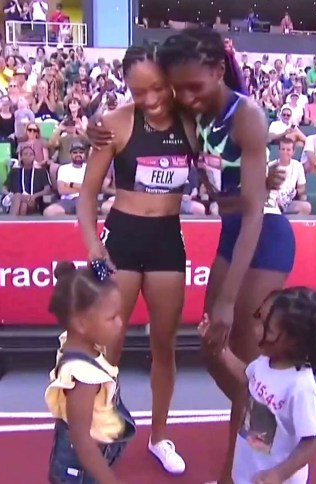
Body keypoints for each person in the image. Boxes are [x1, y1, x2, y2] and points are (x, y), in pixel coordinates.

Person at [159, 27, 296, 483]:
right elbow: (225, 197)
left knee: (244, 359)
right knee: (213, 348)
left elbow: (254, 213)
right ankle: (265, 423)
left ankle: (238, 471)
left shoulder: (247, 115)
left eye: (195, 87)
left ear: (219, 71)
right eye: (179, 88)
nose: (187, 97)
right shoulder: (194, 112)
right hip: (231, 231)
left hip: (264, 237)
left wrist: (227, 300)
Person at [77, 44, 193, 475]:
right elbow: (87, 195)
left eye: (157, 88)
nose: (151, 100)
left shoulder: (191, 122)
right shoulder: (116, 123)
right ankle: (103, 431)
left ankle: (160, 436)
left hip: (166, 242)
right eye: (139, 92)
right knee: (110, 344)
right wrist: (94, 247)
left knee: (164, 345)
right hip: (121, 241)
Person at [198, 286, 316, 484]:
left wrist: (279, 474)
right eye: (259, 320)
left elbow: (312, 440)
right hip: (249, 466)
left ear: (294, 341)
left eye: (267, 328)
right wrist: (220, 349)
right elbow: (248, 377)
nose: (256, 330)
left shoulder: (300, 388)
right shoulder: (266, 361)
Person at [44, 260, 133, 484]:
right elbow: (82, 440)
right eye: (112, 318)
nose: (120, 324)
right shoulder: (83, 377)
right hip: (80, 471)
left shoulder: (77, 342)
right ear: (81, 324)